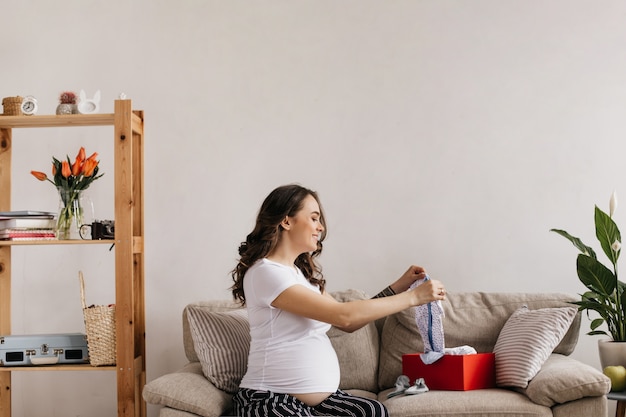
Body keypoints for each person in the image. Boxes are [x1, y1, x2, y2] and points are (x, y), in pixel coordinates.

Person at [230, 184, 447, 417]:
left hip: (319, 401)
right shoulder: (265, 272)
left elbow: (351, 322)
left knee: (373, 411)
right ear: (286, 221)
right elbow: (343, 316)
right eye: (314, 218)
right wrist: (413, 297)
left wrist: (398, 287)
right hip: (270, 399)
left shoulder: (300, 276)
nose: (321, 227)